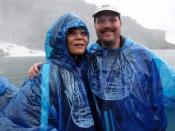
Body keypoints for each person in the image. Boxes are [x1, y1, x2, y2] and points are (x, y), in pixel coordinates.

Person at [28, 4, 175, 131]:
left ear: (120, 24)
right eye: (101, 21)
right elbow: (67, 65)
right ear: (95, 26)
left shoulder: (143, 55)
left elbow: (160, 92)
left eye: (112, 20)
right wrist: (44, 66)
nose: (107, 25)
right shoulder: (89, 56)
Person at [0, 13, 97, 130]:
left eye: (83, 33)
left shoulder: (89, 68)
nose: (79, 37)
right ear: (60, 38)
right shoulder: (45, 75)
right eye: (71, 33)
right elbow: (32, 119)